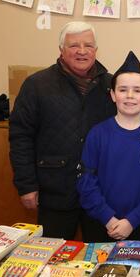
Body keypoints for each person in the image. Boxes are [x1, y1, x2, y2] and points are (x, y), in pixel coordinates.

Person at [9, 21, 116, 241]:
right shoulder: (37, 85)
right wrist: (26, 185)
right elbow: (21, 137)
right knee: (51, 259)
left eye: (88, 45)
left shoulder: (111, 85)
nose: (82, 51)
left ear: (96, 50)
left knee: (100, 261)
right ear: (61, 49)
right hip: (54, 192)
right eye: (74, 45)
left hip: (101, 194)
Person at [76, 51, 140, 242]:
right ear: (112, 94)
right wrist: (108, 219)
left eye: (137, 90)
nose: (130, 96)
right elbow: (86, 181)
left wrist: (132, 221)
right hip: (100, 225)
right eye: (123, 90)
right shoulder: (97, 134)